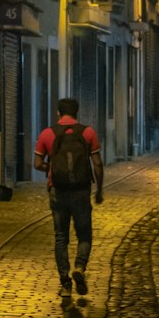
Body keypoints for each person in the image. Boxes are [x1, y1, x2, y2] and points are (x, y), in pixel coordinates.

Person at [34, 98, 104, 297]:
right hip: (81, 191)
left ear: (58, 113)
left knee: (61, 237)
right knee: (84, 235)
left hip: (58, 191)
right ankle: (79, 268)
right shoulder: (88, 133)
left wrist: (53, 168)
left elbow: (37, 163)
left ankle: (65, 284)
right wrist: (99, 190)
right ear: (77, 113)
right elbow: (97, 164)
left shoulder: (47, 133)